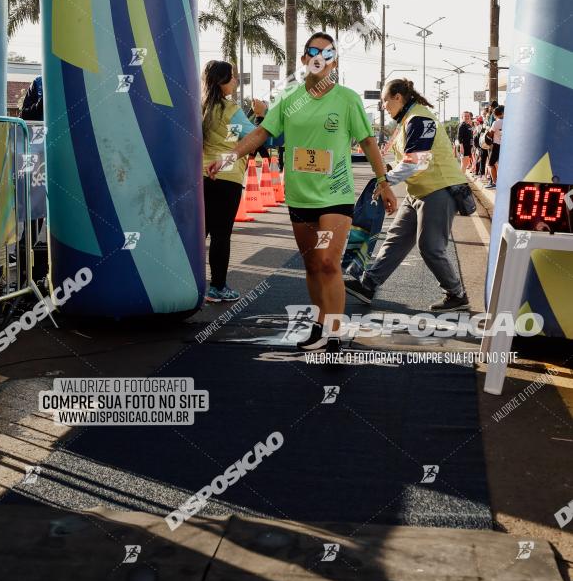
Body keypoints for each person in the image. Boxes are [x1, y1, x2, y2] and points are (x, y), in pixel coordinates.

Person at [207, 32, 397, 351]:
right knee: (311, 264)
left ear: (334, 61)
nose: (319, 57)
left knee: (327, 263)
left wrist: (383, 181)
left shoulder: (347, 99)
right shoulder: (290, 98)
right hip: (299, 196)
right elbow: (262, 133)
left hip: (335, 197)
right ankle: (320, 324)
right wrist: (229, 156)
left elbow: (367, 142)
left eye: (327, 52)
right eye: (313, 51)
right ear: (304, 59)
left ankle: (333, 333)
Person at [345, 78, 470, 312]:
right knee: (396, 238)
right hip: (418, 191)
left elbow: (416, 162)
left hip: (438, 189)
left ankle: (456, 294)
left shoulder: (420, 119)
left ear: (398, 98)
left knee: (430, 247)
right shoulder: (407, 121)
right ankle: (368, 285)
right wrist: (385, 176)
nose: (383, 106)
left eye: (385, 101)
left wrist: (384, 181)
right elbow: (404, 161)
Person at [201, 60, 267, 303]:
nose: (236, 81)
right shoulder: (230, 109)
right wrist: (260, 116)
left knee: (201, 232)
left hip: (201, 176)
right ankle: (217, 287)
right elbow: (253, 137)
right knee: (221, 234)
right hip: (227, 177)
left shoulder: (199, 107)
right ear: (221, 82)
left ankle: (193, 283)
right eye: (233, 77)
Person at [485, 104, 504, 189]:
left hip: (497, 146)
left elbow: (490, 134)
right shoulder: (510, 121)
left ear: (495, 114)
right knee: (502, 164)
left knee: (490, 164)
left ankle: (496, 183)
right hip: (506, 146)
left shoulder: (496, 123)